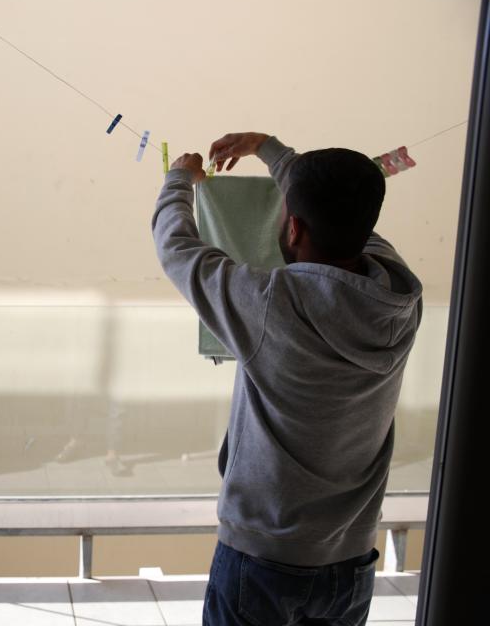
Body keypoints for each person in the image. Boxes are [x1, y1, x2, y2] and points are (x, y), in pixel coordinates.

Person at [152, 132, 422, 626]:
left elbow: (176, 248)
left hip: (261, 559)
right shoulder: (402, 298)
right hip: (352, 559)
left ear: (294, 227)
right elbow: (339, 202)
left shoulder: (269, 307)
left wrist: (180, 180)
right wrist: (269, 149)